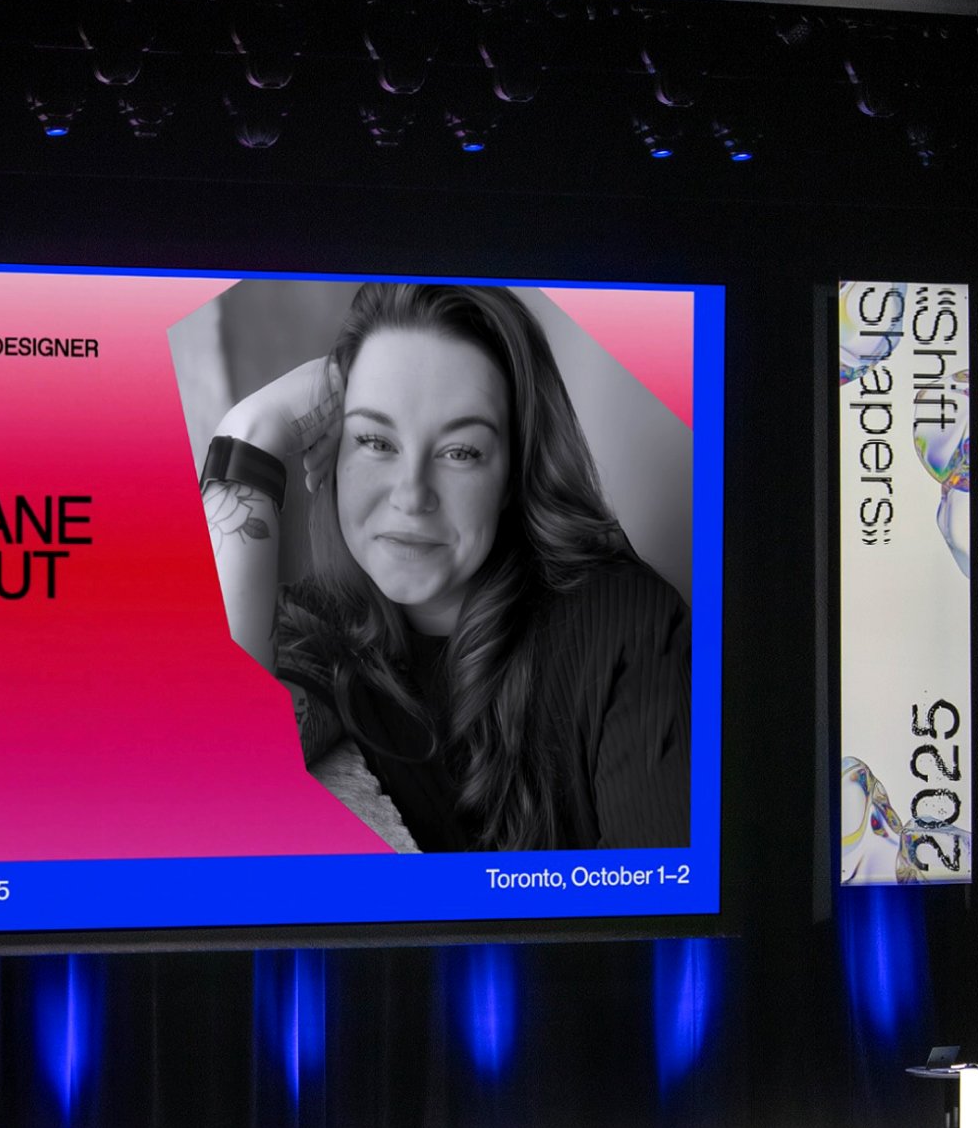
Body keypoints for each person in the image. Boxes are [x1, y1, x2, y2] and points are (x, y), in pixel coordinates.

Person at [202, 282, 691, 855]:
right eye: (376, 441)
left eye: (460, 452)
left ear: (512, 474)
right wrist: (248, 437)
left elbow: (664, 920)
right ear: (335, 455)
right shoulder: (314, 628)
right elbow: (214, 789)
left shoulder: (625, 624)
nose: (412, 495)